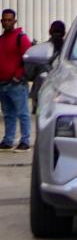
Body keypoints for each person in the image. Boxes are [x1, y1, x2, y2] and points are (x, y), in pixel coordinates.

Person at [0, 8, 33, 152]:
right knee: (8, 114)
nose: (6, 22)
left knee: (22, 113)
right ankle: (8, 140)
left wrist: (17, 76)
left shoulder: (21, 38)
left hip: (17, 83)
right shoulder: (1, 39)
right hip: (2, 83)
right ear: (1, 21)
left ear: (14, 21)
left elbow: (28, 59)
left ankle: (25, 141)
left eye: (9, 20)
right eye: (4, 20)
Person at [29, 20, 64, 113]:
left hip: (41, 92)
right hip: (61, 92)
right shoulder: (69, 50)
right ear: (64, 33)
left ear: (49, 32)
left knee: (40, 116)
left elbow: (31, 73)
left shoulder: (42, 48)